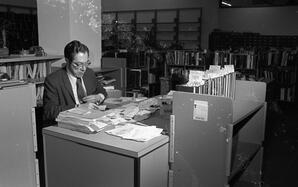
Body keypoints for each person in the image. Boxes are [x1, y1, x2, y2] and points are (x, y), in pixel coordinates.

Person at [43, 40, 107, 125]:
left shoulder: (89, 73)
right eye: (78, 64)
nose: (83, 68)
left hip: (91, 121)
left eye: (86, 63)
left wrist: (99, 97)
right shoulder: (53, 80)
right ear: (67, 61)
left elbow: (103, 91)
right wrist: (78, 107)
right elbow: (49, 112)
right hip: (68, 125)